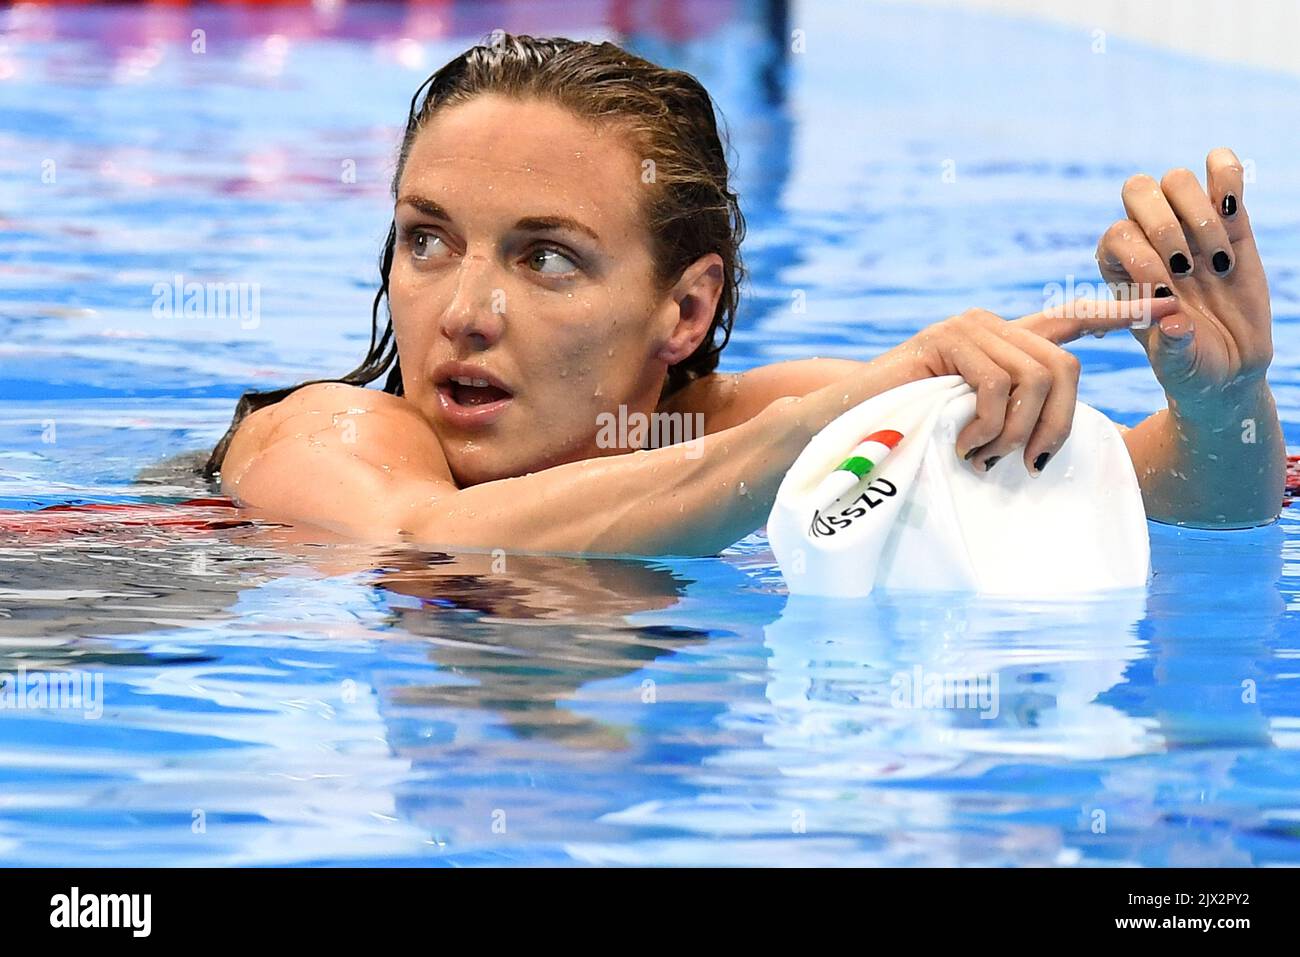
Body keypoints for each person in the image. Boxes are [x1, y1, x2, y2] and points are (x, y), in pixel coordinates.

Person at [205, 34, 1284, 557]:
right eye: (427, 240)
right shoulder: (327, 435)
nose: (463, 312)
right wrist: (812, 433)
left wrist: (1220, 406)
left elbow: (1178, 502)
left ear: (683, 310)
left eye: (546, 259)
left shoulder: (732, 423)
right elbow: (424, 542)